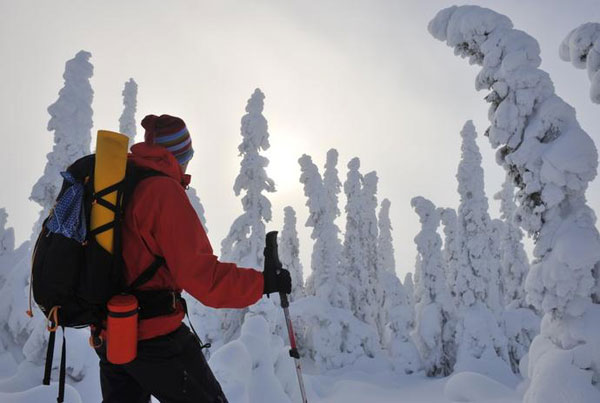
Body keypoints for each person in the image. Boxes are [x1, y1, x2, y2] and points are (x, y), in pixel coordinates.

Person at [94, 114, 291, 403]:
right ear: (178, 155)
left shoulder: (121, 183)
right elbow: (203, 278)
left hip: (111, 335)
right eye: (188, 154)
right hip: (154, 337)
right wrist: (263, 283)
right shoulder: (162, 192)